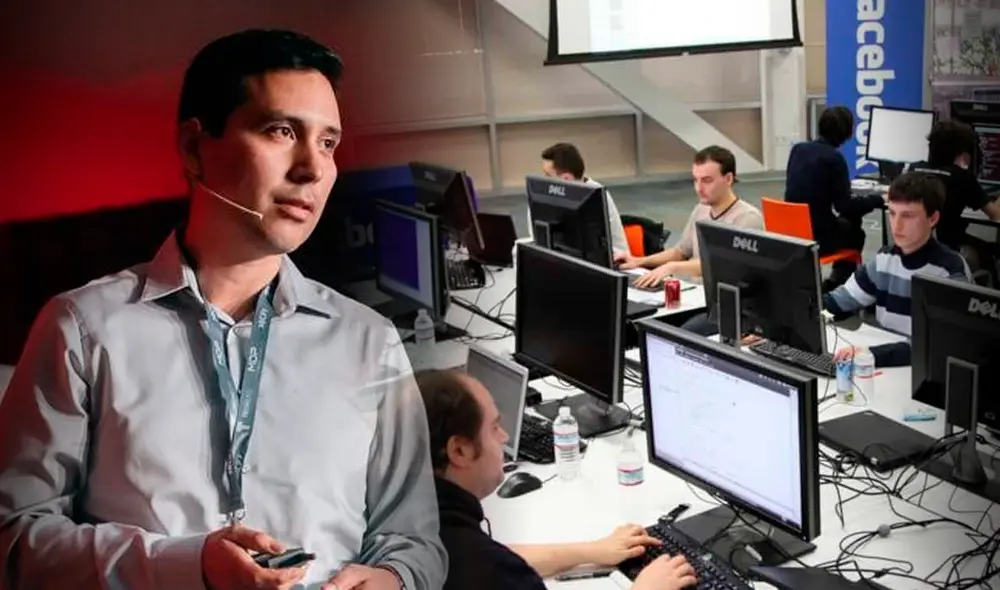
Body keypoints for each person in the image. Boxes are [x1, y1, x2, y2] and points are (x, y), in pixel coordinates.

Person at [0, 29, 446, 590]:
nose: (312, 168)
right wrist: (189, 567)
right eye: (281, 131)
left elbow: (414, 541)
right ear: (194, 148)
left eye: (328, 143)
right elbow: (13, 541)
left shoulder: (368, 340)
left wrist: (394, 579)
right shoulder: (84, 332)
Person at [415, 369, 698, 590]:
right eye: (494, 427)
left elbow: (498, 556)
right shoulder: (480, 569)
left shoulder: (419, 520)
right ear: (459, 451)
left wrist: (591, 551)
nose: (504, 437)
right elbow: (490, 565)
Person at [825, 172, 972, 368]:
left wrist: (872, 355)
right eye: (892, 213)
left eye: (908, 216)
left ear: (933, 218)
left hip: (923, 368)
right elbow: (838, 301)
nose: (897, 225)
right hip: (887, 364)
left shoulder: (950, 271)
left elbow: (939, 344)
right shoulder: (884, 259)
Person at [617, 145, 763, 288]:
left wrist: (672, 267)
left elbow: (725, 266)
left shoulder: (747, 218)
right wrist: (640, 261)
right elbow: (680, 252)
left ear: (729, 179)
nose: (699, 188)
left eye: (707, 180)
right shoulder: (701, 209)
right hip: (692, 288)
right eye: (695, 180)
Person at [784, 106, 884, 290]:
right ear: (847, 132)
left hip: (790, 230)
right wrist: (876, 200)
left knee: (849, 221)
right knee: (856, 233)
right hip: (816, 237)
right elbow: (844, 206)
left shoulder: (798, 149)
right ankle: (840, 285)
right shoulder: (834, 159)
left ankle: (836, 281)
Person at [908, 120, 1000, 276]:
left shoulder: (914, 170)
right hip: (949, 245)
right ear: (959, 152)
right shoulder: (962, 177)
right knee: (991, 251)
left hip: (916, 245)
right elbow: (996, 214)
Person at [537, 142, 631, 255]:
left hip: (615, 259)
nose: (544, 180)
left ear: (566, 179)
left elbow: (592, 246)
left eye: (548, 175)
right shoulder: (555, 195)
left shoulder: (595, 196)